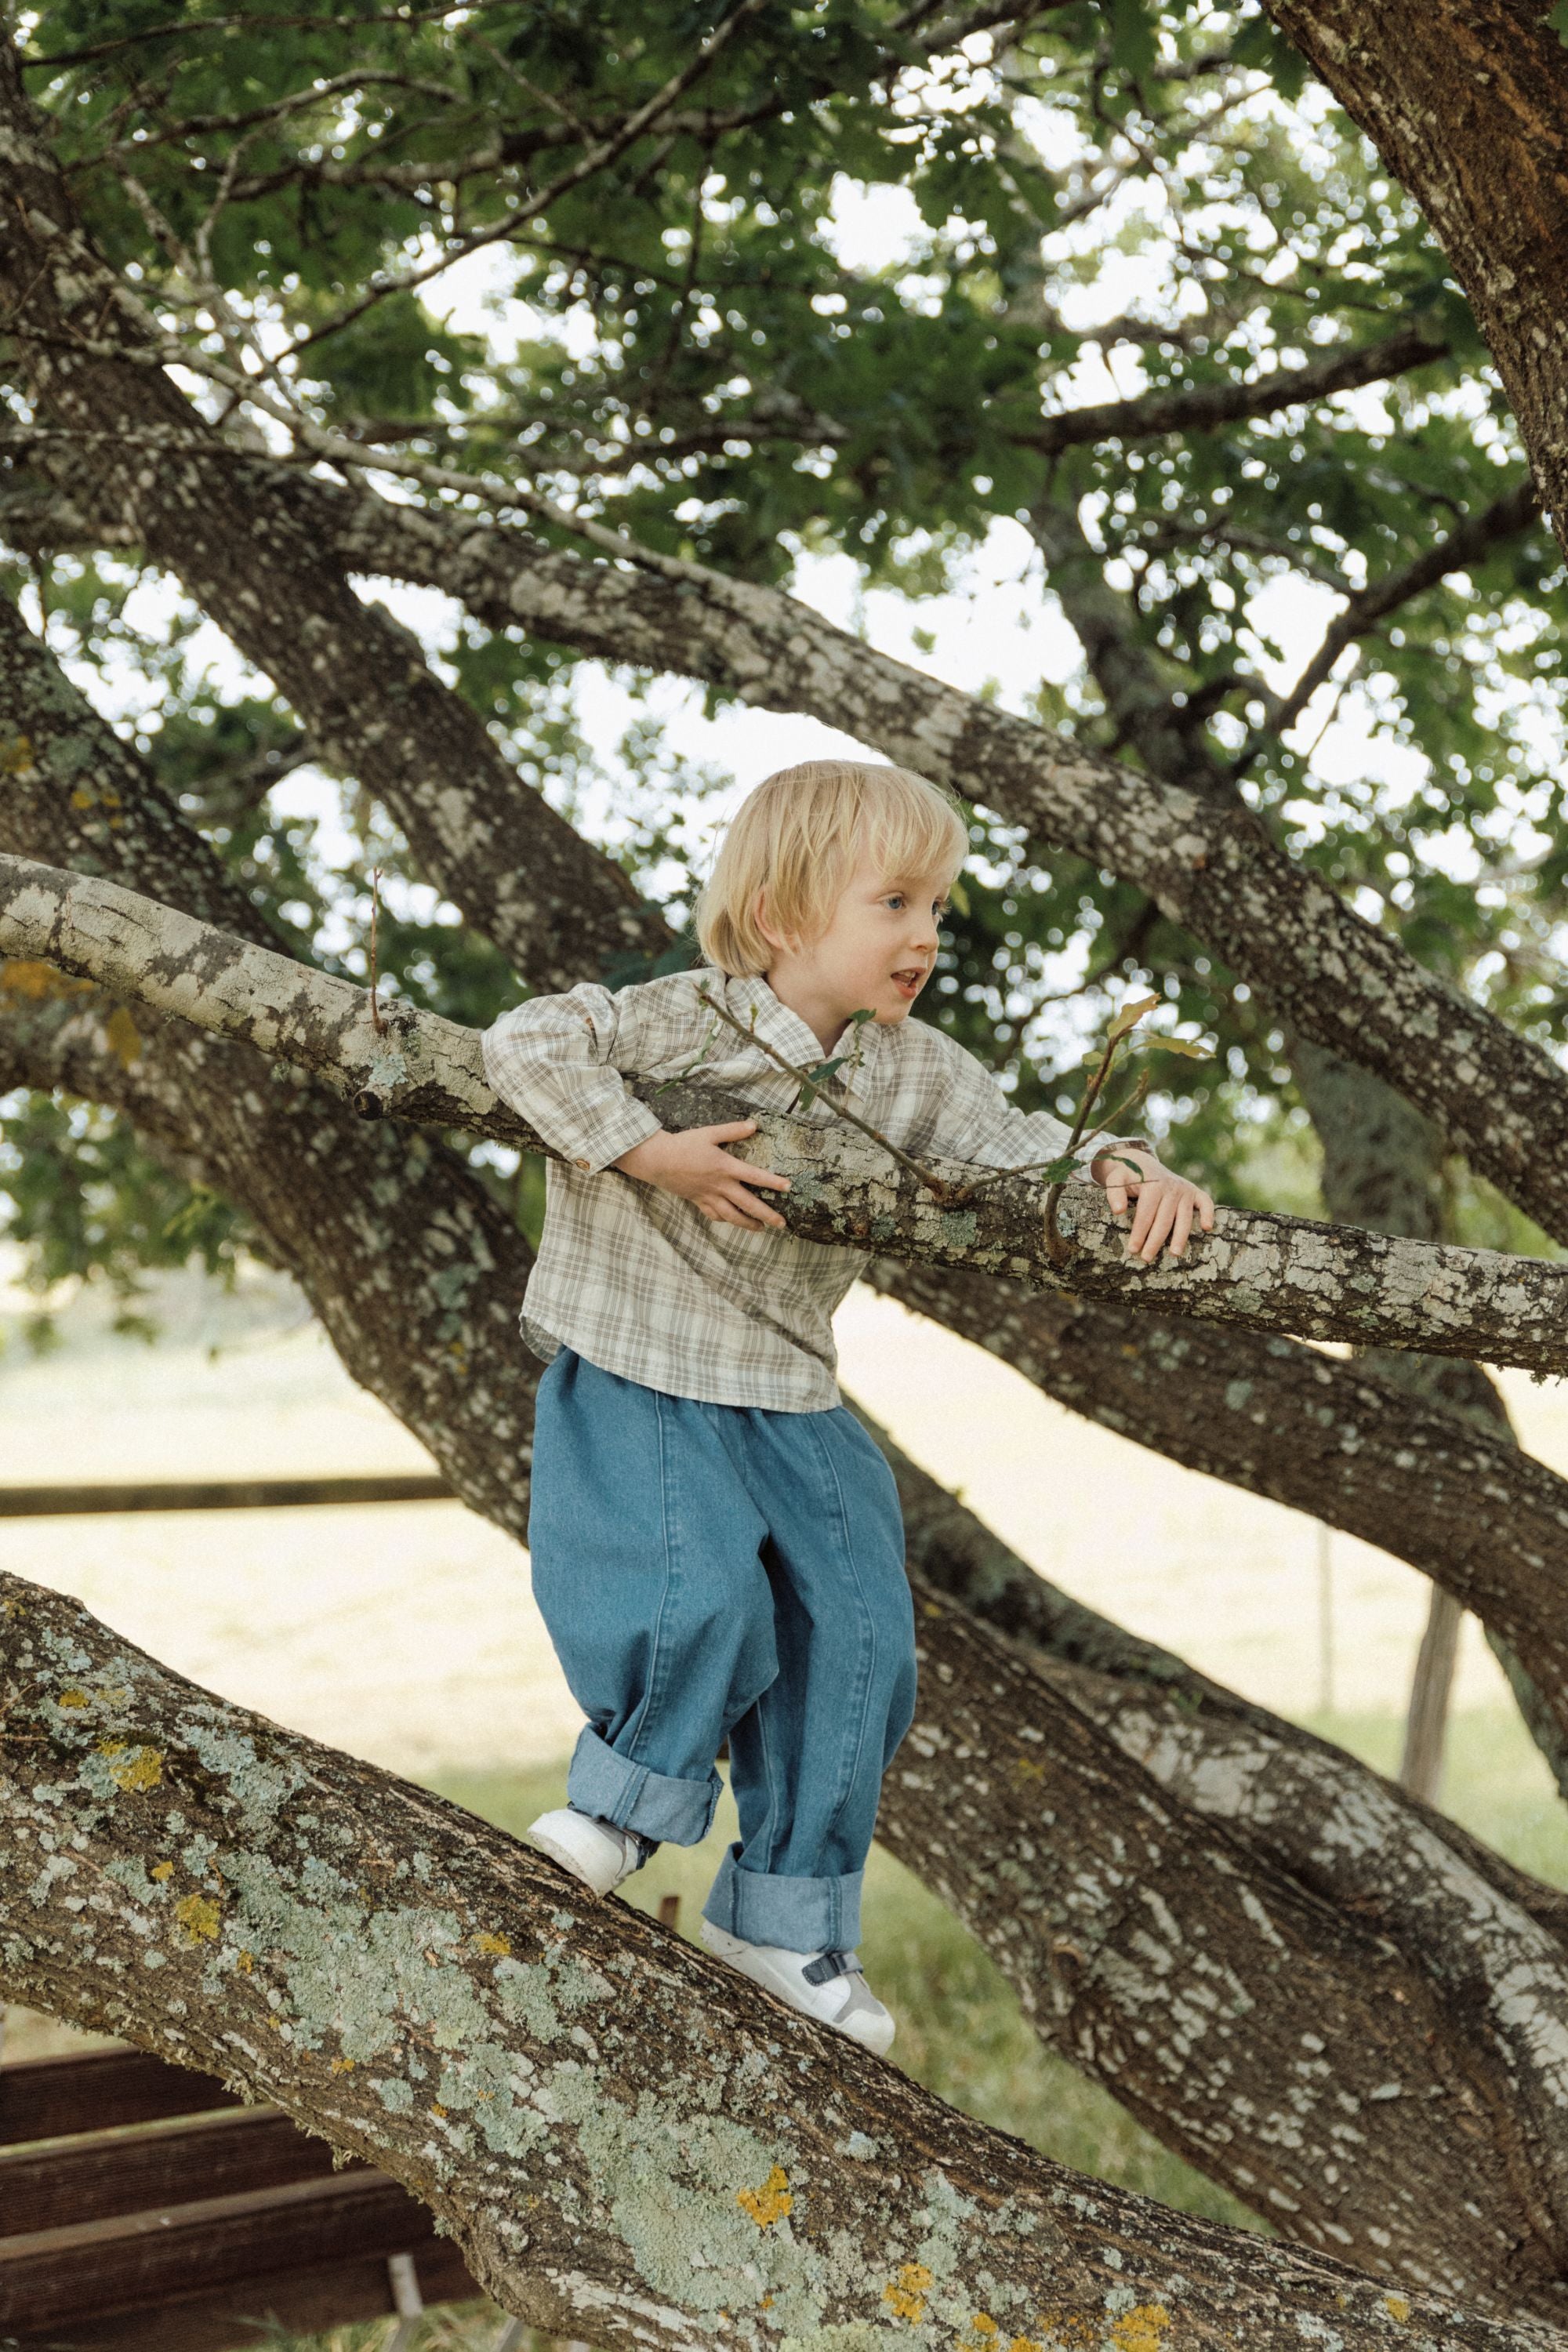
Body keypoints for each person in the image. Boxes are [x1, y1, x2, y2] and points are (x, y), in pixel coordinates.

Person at [480, 759, 1214, 2055]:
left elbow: (1021, 1144)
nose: (926, 934)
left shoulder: (910, 1070)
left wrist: (1126, 1162)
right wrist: (646, 1150)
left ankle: (786, 1912)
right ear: (781, 919)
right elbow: (527, 1038)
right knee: (695, 1595)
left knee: (862, 1638)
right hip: (646, 1369)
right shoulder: (689, 1022)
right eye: (895, 903)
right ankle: (622, 1806)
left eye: (937, 904)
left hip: (788, 1392)